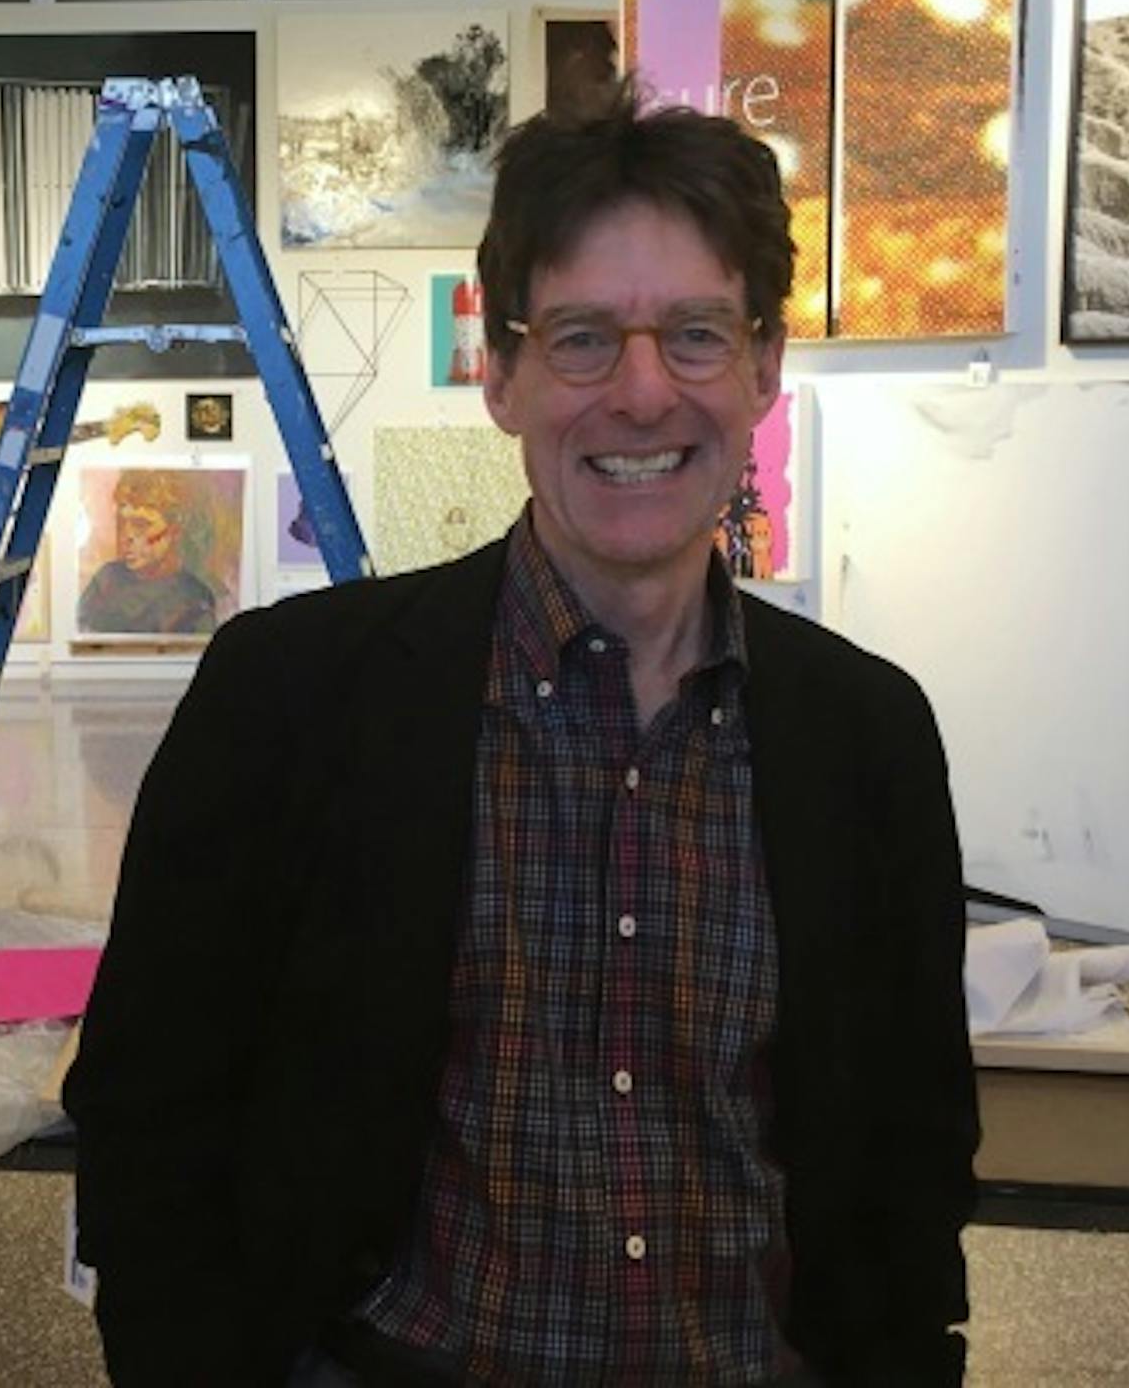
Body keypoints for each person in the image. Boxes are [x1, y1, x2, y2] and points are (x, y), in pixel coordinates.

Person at [64, 81, 978, 1386]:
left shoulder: (868, 739)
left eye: (698, 335)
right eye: (584, 338)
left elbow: (912, 1155)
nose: (644, 394)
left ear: (766, 368)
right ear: (500, 373)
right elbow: (150, 1107)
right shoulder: (289, 701)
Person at [77, 469, 219, 635]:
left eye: (141, 525)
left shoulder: (194, 600)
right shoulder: (106, 580)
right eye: (122, 523)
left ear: (174, 531)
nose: (126, 536)